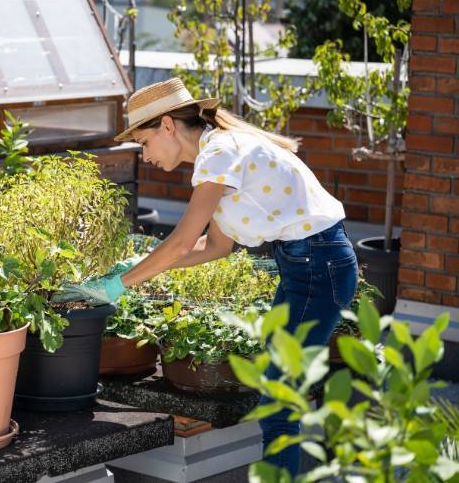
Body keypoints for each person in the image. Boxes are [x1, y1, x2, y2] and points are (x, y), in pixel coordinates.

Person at [56, 78, 358, 475]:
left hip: (319, 266)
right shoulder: (220, 154)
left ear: (167, 125)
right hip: (305, 265)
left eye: (143, 143)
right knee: (279, 390)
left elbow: (182, 242)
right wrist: (136, 269)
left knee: (278, 399)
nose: (144, 156)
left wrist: (117, 285)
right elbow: (214, 246)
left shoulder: (218, 154)